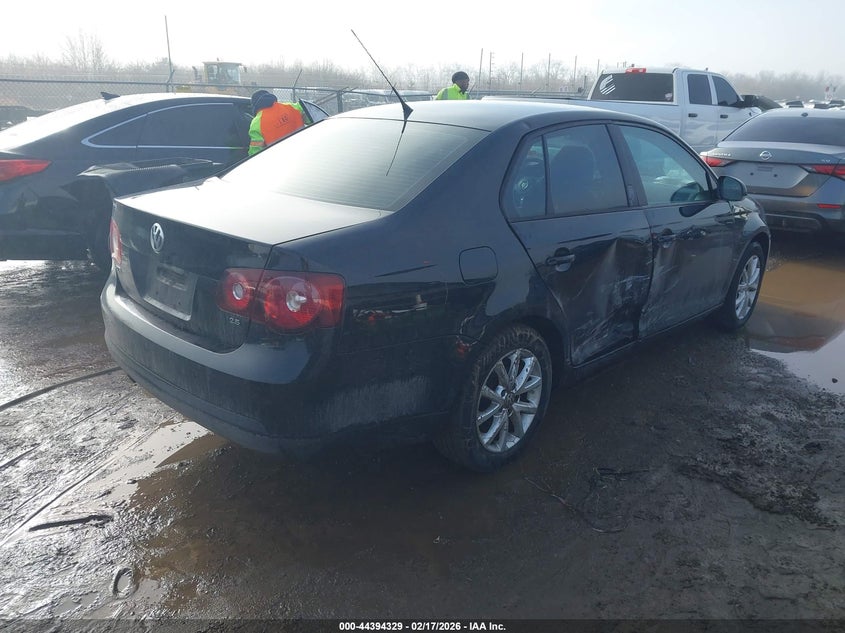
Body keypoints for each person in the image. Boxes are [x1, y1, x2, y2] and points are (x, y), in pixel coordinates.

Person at [248, 89, 308, 155]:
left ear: (255, 107)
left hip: (279, 160)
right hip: (304, 151)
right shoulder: (292, 107)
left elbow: (255, 152)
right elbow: (313, 118)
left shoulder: (256, 123)